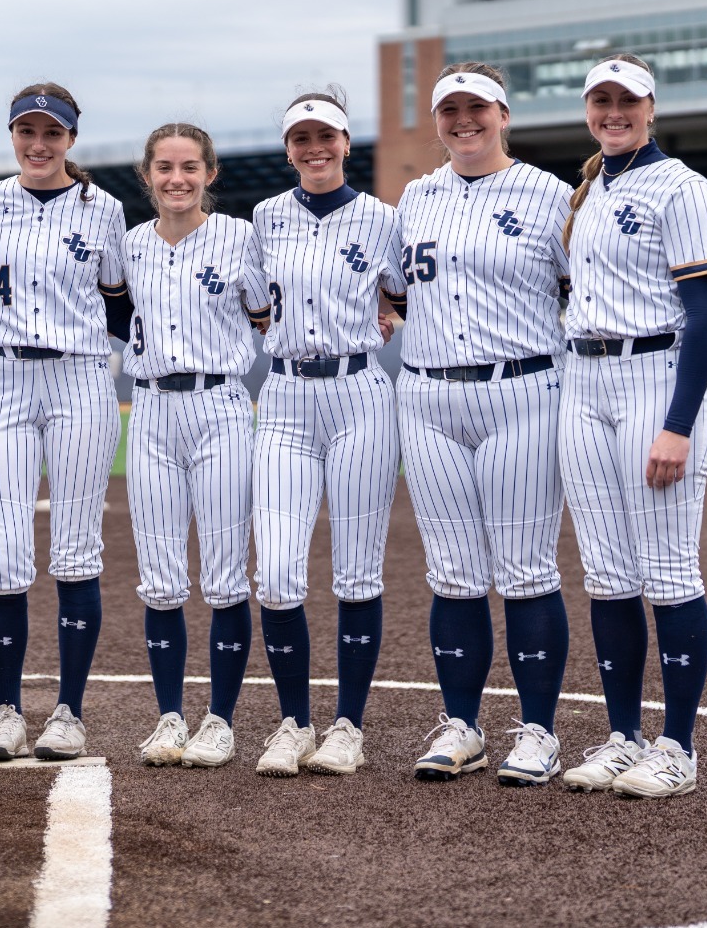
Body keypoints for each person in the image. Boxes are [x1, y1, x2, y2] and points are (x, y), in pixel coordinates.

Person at [395, 64, 575, 784]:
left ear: (504, 114)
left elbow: (583, 287)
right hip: (428, 395)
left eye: (477, 107)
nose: (463, 120)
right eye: (450, 109)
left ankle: (539, 732)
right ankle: (462, 726)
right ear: (437, 120)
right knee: (453, 572)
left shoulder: (551, 194)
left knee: (526, 568)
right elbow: (394, 288)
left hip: (521, 389)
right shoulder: (415, 197)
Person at [556, 54, 707, 798]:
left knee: (669, 571)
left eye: (627, 100)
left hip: (656, 378)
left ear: (652, 107)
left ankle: (678, 746)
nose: (614, 112)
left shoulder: (684, 188)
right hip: (584, 380)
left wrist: (678, 424)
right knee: (607, 575)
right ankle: (623, 735)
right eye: (601, 99)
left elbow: (706, 315)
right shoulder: (592, 187)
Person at [0, 83, 129, 761]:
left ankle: (68, 712)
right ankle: (7, 712)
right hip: (1, 377)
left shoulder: (104, 208)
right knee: (4, 556)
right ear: (12, 134)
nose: (38, 143)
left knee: (75, 550)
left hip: (79, 378)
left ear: (70, 139)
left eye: (51, 132)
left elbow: (121, 303)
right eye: (27, 130)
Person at [246, 91, 405, 777]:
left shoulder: (383, 218)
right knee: (278, 573)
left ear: (346, 142)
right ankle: (292, 722)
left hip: (359, 392)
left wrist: (384, 314)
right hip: (284, 395)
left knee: (356, 569)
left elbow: (408, 293)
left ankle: (347, 726)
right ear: (289, 149)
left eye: (326, 136)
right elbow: (254, 304)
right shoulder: (264, 217)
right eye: (301, 138)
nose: (314, 148)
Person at [123, 123, 270, 772]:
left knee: (225, 575)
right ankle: (170, 716)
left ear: (210, 173)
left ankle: (221, 720)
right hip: (151, 407)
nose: (176, 179)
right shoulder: (130, 245)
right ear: (147, 175)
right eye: (164, 167)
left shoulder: (241, 237)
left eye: (189, 167)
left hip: (220, 405)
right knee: (159, 578)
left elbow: (270, 313)